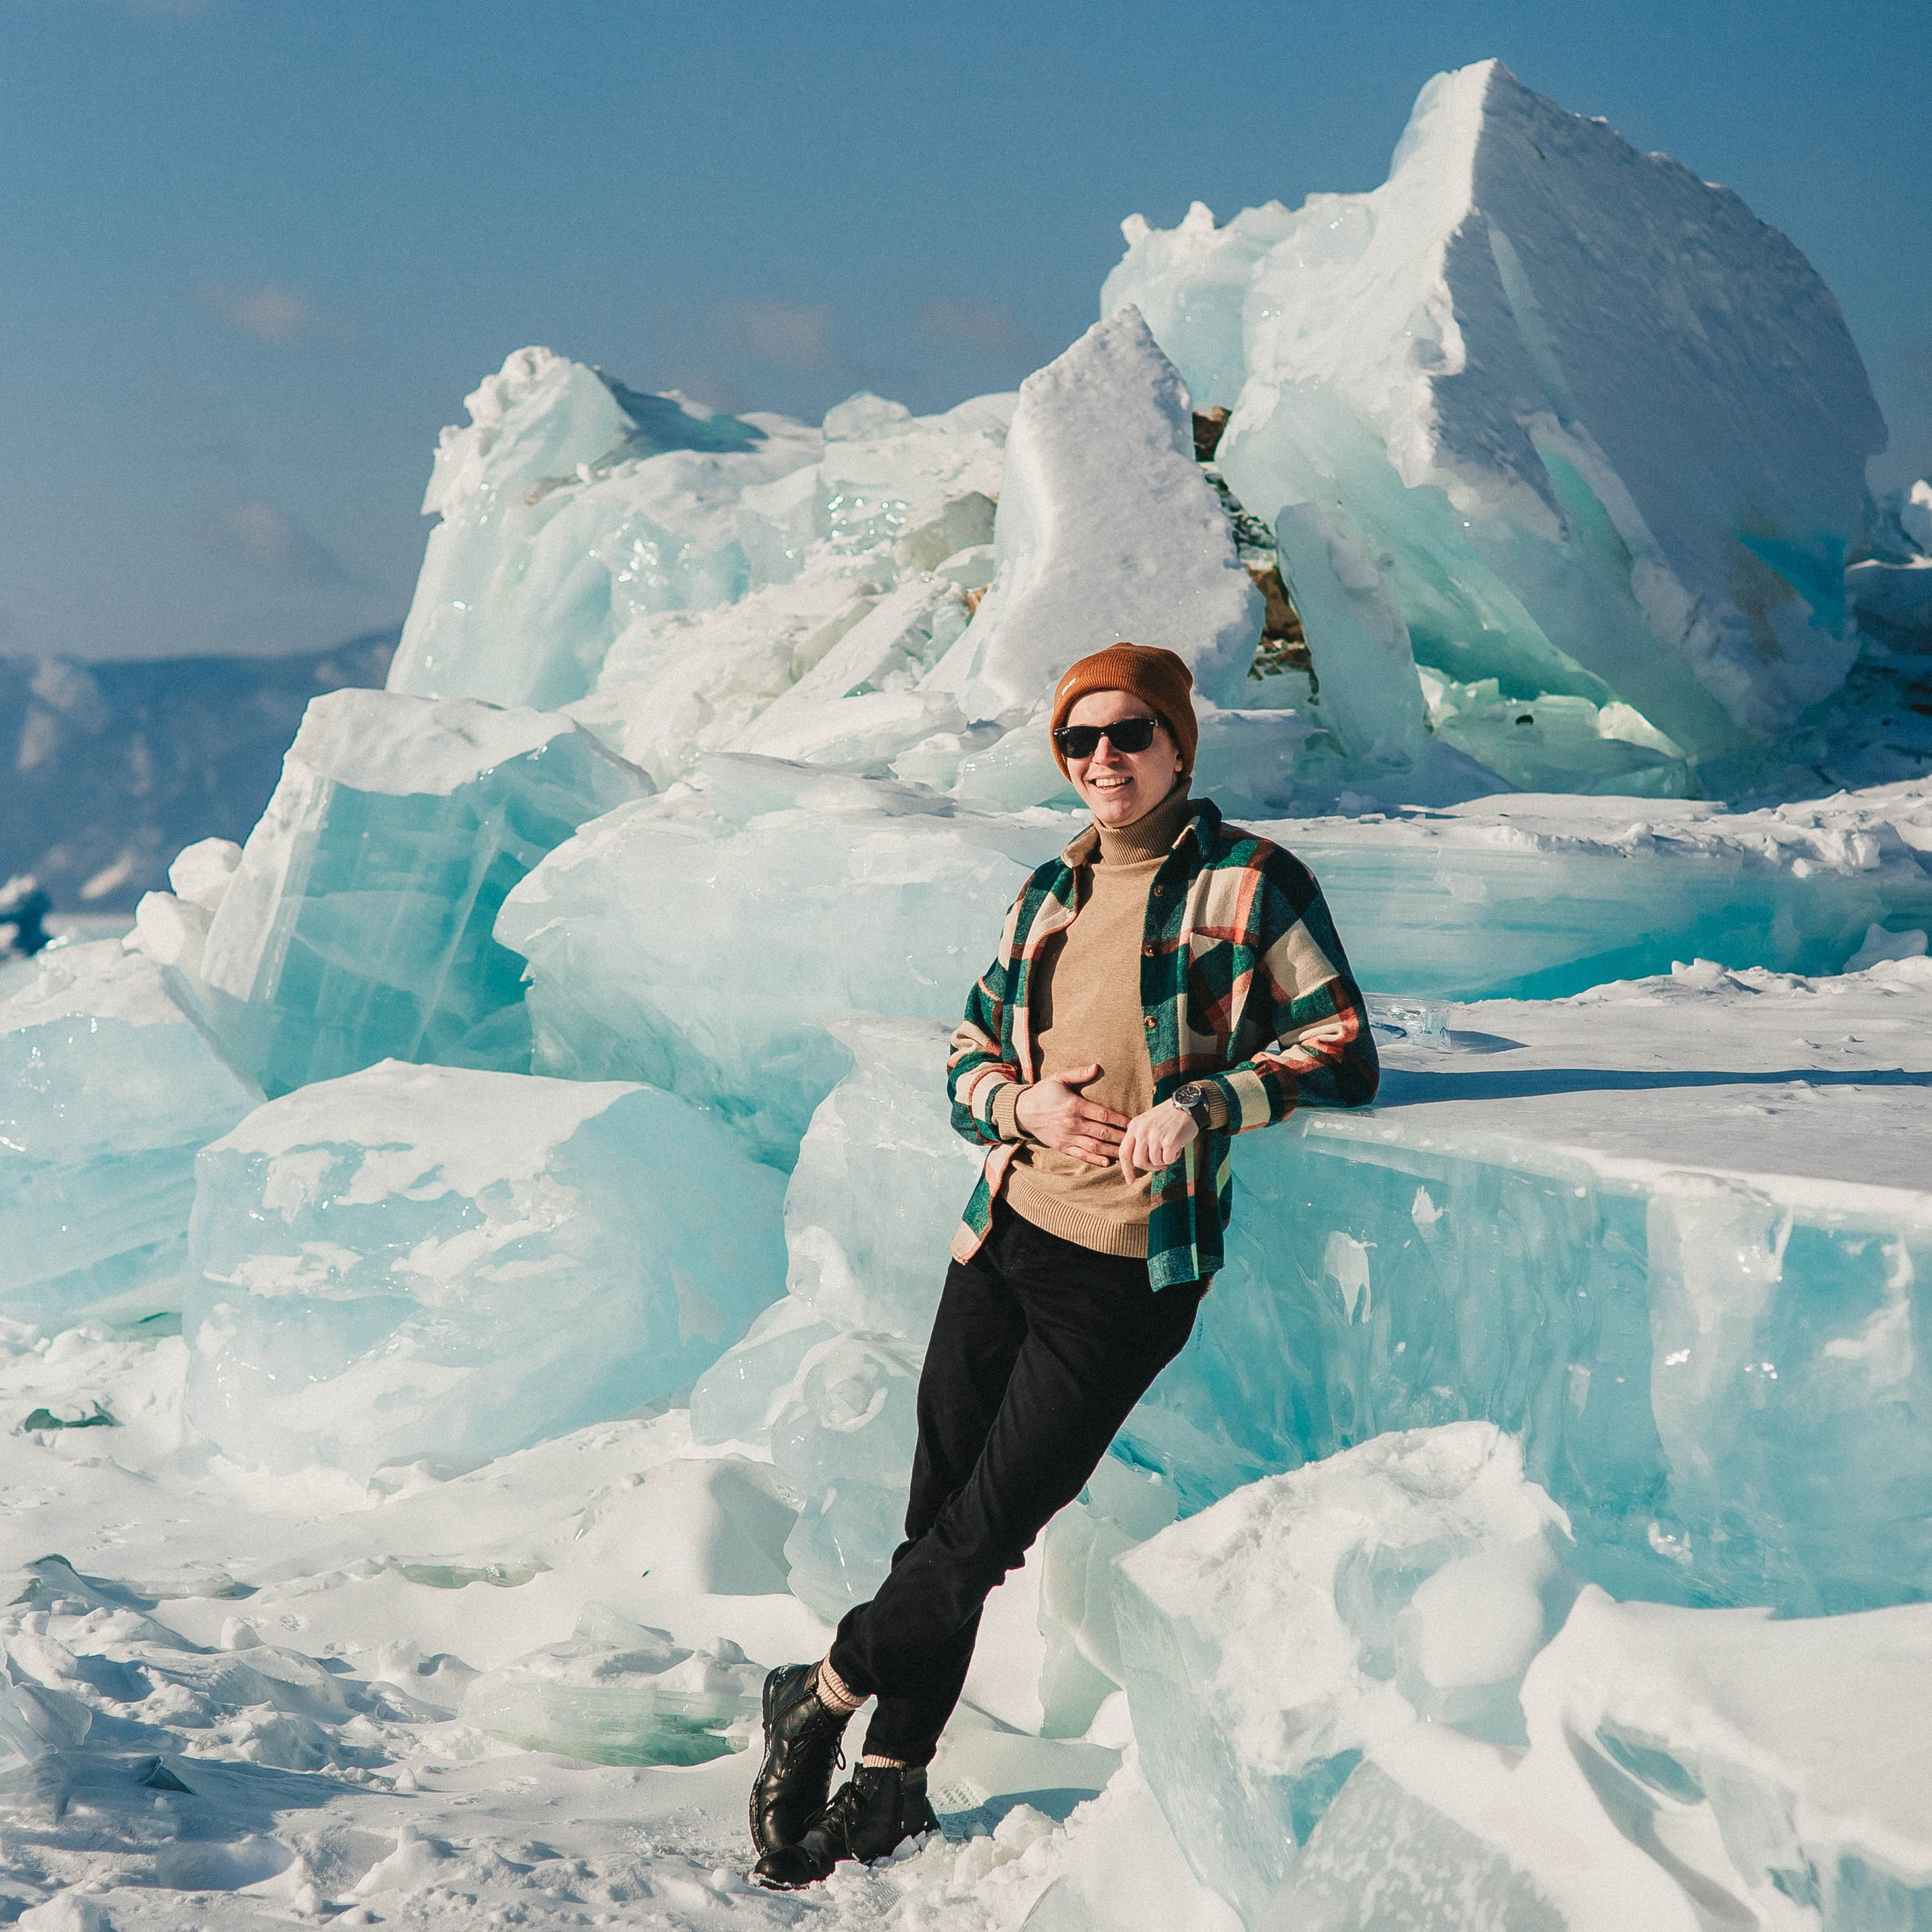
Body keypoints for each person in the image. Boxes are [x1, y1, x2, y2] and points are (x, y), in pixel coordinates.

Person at [748, 642, 1380, 1888]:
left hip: (1130, 1268)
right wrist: (1020, 1109)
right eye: (1082, 741)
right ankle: (892, 1788)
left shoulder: (1252, 885)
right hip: (999, 1239)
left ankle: (815, 1695)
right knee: (939, 1527)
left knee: (983, 1537)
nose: (1106, 760)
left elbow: (1344, 1044)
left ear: (1180, 747)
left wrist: (1209, 1103)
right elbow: (967, 1059)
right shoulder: (1047, 892)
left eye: (1132, 734)